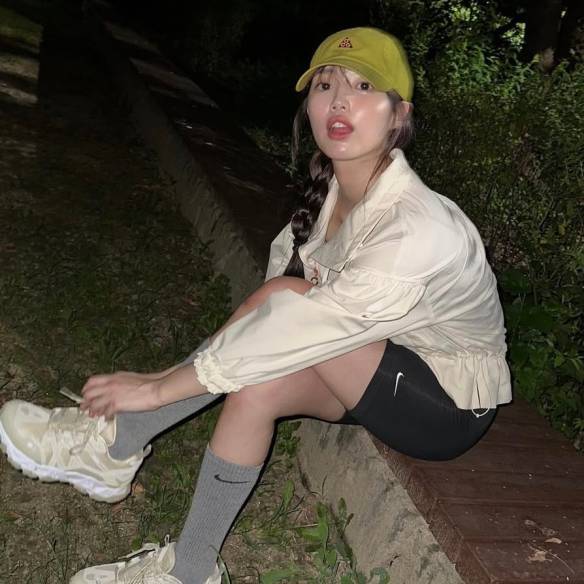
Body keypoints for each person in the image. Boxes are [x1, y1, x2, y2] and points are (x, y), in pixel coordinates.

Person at [0, 27, 512, 584]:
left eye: (364, 86)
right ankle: (190, 569)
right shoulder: (335, 193)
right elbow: (272, 324)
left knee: (285, 303)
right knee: (256, 386)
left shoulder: (417, 227)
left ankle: (120, 438)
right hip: (369, 361)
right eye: (325, 85)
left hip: (445, 403)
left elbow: (291, 315)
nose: (339, 101)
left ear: (399, 114)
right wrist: (180, 376)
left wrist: (158, 388)